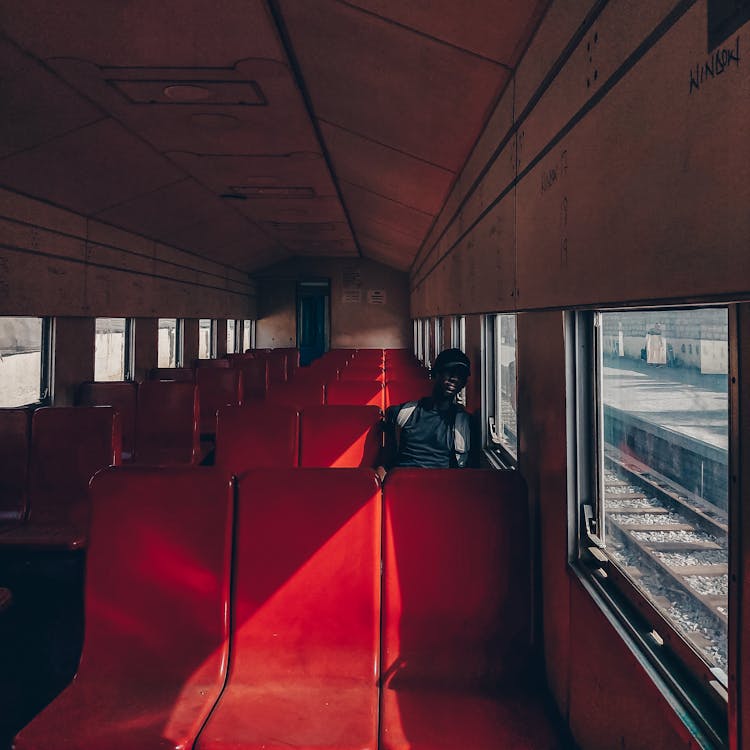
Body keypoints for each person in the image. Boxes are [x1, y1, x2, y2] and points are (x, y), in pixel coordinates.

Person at [376, 348, 472, 481]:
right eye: (449, 372)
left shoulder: (464, 423)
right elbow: (386, 461)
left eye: (460, 375)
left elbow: (467, 472)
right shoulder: (402, 413)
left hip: (440, 488)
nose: (455, 378)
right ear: (436, 374)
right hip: (402, 485)